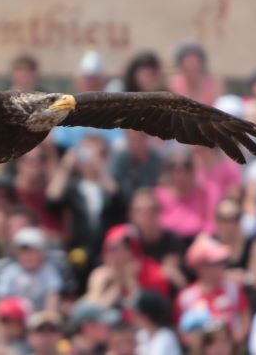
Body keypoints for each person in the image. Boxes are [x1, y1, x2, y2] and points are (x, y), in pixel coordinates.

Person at [46, 135, 126, 271]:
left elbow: (121, 201)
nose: (89, 159)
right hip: (78, 254)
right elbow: (52, 201)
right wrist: (65, 166)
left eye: (97, 154)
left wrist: (100, 171)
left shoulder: (110, 184)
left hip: (108, 254)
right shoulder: (72, 187)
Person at [175, 236, 250, 347]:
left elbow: (245, 321)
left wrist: (231, 343)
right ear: (199, 267)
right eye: (214, 263)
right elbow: (182, 333)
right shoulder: (186, 297)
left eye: (222, 262)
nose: (220, 267)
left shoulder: (233, 289)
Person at [86, 224, 170, 310]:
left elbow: (152, 314)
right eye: (114, 249)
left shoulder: (154, 273)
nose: (120, 255)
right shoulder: (102, 276)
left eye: (127, 248)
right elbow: (89, 312)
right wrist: (116, 285)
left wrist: (131, 282)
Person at [50, 50, 122, 151]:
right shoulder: (65, 108)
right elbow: (58, 142)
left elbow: (119, 143)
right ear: (78, 82)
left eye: (94, 79)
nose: (90, 84)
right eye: (87, 80)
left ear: (102, 82)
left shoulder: (113, 112)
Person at [153, 149, 220, 241]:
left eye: (186, 167)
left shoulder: (207, 193)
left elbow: (214, 223)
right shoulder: (158, 195)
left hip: (200, 244)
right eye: (174, 168)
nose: (180, 174)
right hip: (167, 247)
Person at [0, 227, 63, 312]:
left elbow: (53, 295)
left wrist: (50, 312)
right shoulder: (10, 272)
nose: (28, 256)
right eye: (23, 253)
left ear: (42, 253)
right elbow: (2, 298)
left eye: (32, 252)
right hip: (16, 314)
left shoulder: (48, 271)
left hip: (41, 314)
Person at [128, 188, 186, 289]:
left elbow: (180, 282)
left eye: (151, 210)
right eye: (139, 211)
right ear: (131, 214)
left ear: (159, 212)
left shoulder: (172, 242)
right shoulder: (127, 241)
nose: (145, 215)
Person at [212, 199, 256, 305]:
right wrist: (236, 276)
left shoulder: (254, 244)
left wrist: (222, 276)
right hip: (217, 298)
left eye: (232, 219)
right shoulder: (209, 243)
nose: (227, 224)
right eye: (222, 218)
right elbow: (202, 278)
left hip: (246, 299)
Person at [109, 130, 164, 205]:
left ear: (144, 139)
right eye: (130, 139)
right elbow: (109, 180)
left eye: (135, 139)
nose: (132, 143)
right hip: (125, 203)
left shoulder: (156, 160)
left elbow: (163, 183)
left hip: (149, 204)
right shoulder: (120, 157)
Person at [169, 41, 223, 106]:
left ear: (202, 63)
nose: (191, 67)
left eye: (194, 63)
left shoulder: (215, 84)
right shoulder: (173, 85)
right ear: (180, 65)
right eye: (188, 64)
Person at [132, 290, 181, 355]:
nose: (133, 317)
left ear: (146, 316)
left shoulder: (166, 337)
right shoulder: (141, 335)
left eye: (137, 314)